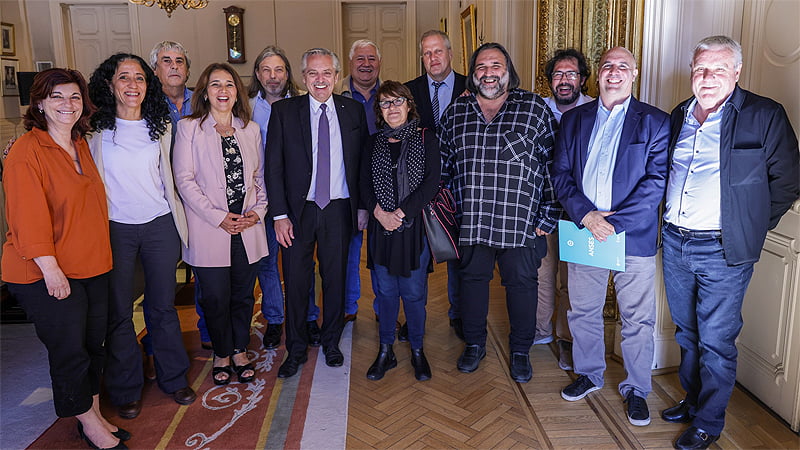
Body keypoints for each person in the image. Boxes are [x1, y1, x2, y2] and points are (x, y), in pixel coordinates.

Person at [660, 35, 799, 449]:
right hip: (674, 242)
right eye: (700, 69)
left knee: (716, 341)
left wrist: (749, 225)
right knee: (687, 333)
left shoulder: (764, 115)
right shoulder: (679, 115)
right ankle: (693, 399)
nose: (707, 77)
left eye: (718, 69)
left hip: (723, 250)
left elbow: (789, 181)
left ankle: (708, 423)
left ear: (736, 73)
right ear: (691, 72)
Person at [2, 68, 128, 449]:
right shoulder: (26, 151)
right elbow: (27, 217)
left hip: (90, 265)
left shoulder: (80, 143)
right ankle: (89, 425)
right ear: (39, 102)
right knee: (70, 349)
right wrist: (51, 270)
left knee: (93, 344)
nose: (67, 104)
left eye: (74, 97)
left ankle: (94, 414)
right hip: (45, 272)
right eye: (57, 96)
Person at [551, 46, 669, 427]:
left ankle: (637, 389)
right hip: (584, 230)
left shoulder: (655, 121)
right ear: (597, 75)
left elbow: (655, 184)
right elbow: (561, 174)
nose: (614, 73)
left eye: (622, 67)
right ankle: (589, 372)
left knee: (637, 318)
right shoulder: (574, 119)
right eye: (607, 67)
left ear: (634, 74)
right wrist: (586, 215)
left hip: (631, 237)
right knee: (582, 309)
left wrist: (613, 225)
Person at [439, 42, 561, 383]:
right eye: (481, 66)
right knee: (472, 284)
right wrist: (445, 216)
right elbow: (443, 169)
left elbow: (553, 166)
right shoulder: (456, 113)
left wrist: (547, 217)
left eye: (495, 65)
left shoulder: (534, 109)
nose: (488, 72)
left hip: (521, 223)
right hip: (471, 221)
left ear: (508, 71)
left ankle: (521, 350)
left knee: (522, 286)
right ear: (473, 73)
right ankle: (475, 344)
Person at [87, 54, 196, 420]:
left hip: (159, 224)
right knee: (119, 312)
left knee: (162, 306)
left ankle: (174, 377)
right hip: (114, 227)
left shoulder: (162, 125)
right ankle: (126, 388)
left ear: (148, 85)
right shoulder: (92, 131)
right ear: (109, 84)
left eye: (139, 78)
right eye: (124, 78)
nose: (132, 85)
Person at [266, 48, 369, 378]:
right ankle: (295, 349)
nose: (320, 79)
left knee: (336, 279)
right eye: (313, 73)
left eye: (326, 73)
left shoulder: (353, 111)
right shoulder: (284, 111)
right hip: (299, 212)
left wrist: (363, 206)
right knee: (296, 281)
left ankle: (331, 342)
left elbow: (362, 164)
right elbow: (273, 167)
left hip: (339, 209)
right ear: (303, 77)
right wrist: (279, 214)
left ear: (337, 76)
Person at [173, 62, 268, 386]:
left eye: (229, 84)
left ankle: (240, 349)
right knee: (214, 298)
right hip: (210, 228)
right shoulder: (189, 128)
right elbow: (184, 181)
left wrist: (259, 211)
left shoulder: (250, 129)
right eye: (215, 84)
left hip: (247, 226)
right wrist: (218, 217)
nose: (223, 91)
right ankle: (222, 354)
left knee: (243, 296)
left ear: (237, 92)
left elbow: (260, 177)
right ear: (205, 91)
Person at [361, 81, 440, 381]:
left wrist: (401, 212)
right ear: (379, 110)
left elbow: (431, 182)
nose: (392, 108)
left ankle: (418, 351)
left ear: (409, 105)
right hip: (381, 229)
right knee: (385, 293)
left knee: (413, 294)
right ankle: (386, 351)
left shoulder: (425, 139)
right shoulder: (372, 143)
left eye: (397, 102)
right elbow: (363, 185)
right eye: (385, 103)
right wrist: (380, 213)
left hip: (413, 228)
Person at [247, 45, 322, 350]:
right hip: (257, 199)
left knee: (303, 262)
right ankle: (276, 319)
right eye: (266, 70)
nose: (272, 76)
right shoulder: (246, 107)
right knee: (266, 263)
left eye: (279, 70)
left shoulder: (303, 105)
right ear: (257, 74)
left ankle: (307, 316)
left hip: (296, 198)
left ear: (289, 74)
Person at [147, 40, 208, 379]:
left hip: (200, 199)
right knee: (161, 284)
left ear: (187, 68)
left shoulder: (202, 100)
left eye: (180, 61)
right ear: (155, 69)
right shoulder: (143, 102)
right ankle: (158, 349)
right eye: (165, 61)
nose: (173, 66)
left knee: (205, 273)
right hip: (161, 202)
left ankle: (209, 334)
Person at [404, 29, 467, 342]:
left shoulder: (471, 86)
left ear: (450, 53)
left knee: (459, 254)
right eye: (427, 53)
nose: (432, 58)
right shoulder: (409, 90)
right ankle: (415, 317)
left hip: (463, 187)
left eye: (438, 51)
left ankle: (458, 314)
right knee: (420, 255)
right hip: (421, 187)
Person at [535, 49, 594, 371]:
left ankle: (567, 340)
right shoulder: (538, 109)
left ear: (583, 79)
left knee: (572, 282)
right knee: (542, 274)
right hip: (544, 210)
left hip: (579, 212)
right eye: (558, 74)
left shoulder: (594, 111)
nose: (565, 80)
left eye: (571, 74)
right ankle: (541, 331)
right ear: (550, 80)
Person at [336, 39, 381, 323]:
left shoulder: (392, 93)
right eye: (360, 58)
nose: (366, 64)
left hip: (382, 184)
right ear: (350, 63)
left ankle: (383, 308)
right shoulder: (333, 92)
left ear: (379, 63)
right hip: (345, 183)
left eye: (372, 59)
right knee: (348, 250)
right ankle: (348, 307)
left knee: (381, 253)